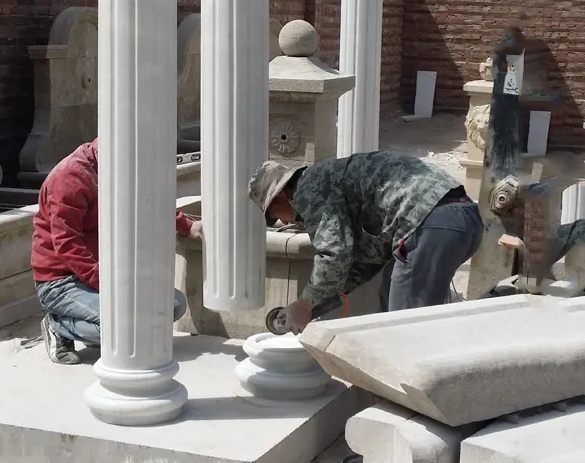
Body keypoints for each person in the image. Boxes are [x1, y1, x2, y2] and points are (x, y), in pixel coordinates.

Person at [247, 150, 484, 334]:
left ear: (279, 195)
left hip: (429, 222)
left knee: (404, 327)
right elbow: (362, 264)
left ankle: (404, 393)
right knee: (391, 299)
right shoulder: (330, 180)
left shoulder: (308, 189)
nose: (278, 219)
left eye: (273, 213)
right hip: (461, 220)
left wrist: (305, 303)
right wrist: (313, 307)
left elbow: (334, 256)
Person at [31, 138, 202, 364]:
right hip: (61, 281)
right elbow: (67, 243)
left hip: (103, 272)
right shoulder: (69, 178)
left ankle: (97, 329)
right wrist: (109, 287)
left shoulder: (120, 167)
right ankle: (58, 325)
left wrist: (187, 226)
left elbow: (146, 203)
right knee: (127, 330)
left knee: (171, 305)